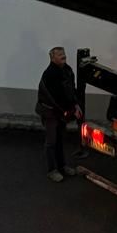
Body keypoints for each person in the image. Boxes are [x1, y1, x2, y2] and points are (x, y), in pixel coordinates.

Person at [37, 46, 82, 183]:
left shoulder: (67, 70)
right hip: (50, 112)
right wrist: (71, 110)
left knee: (59, 140)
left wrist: (76, 105)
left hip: (61, 112)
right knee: (51, 142)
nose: (63, 56)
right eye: (60, 54)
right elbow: (55, 98)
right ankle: (52, 170)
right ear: (52, 58)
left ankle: (62, 166)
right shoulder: (49, 74)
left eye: (64, 53)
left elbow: (71, 91)